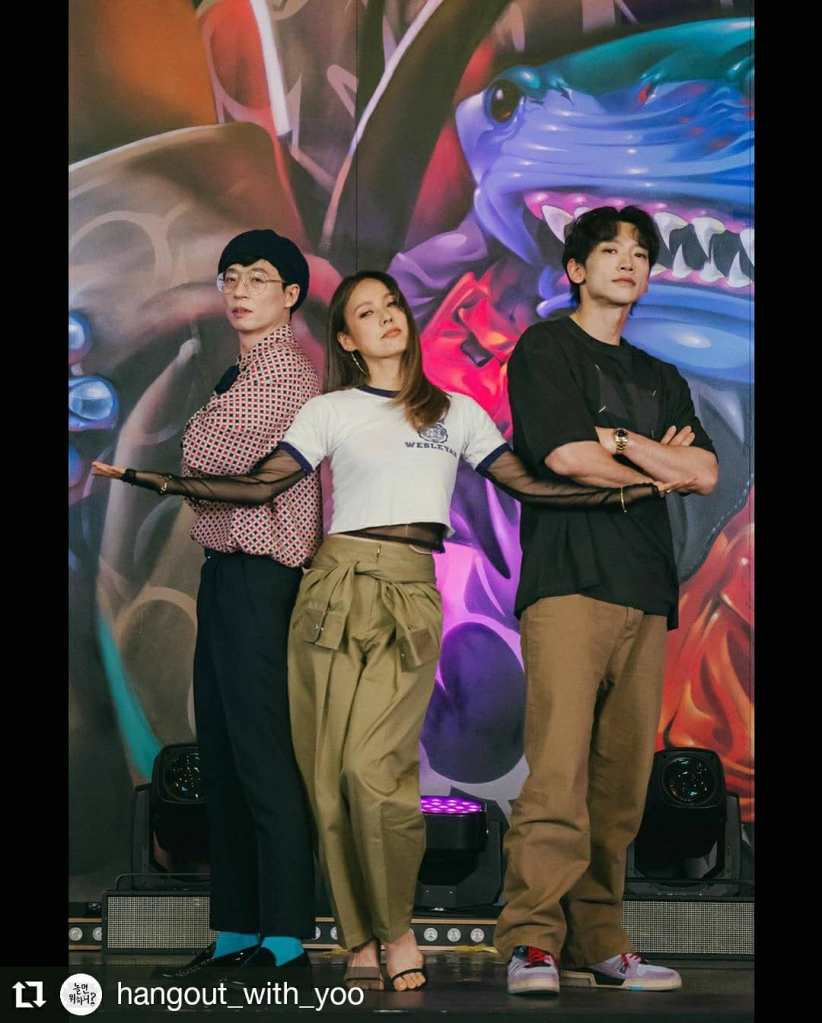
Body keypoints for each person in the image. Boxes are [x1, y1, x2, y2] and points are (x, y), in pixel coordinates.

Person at [94, 269, 685, 992]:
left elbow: (531, 485)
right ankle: (360, 939)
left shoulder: (457, 412)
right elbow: (259, 486)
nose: (387, 318)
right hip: (333, 586)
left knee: (377, 776)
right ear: (347, 338)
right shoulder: (329, 410)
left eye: (392, 305)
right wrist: (151, 480)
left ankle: (395, 927)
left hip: (409, 587)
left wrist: (632, 486)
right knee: (329, 779)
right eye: (367, 313)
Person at [494, 206, 719, 995]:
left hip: (646, 588)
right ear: (575, 270)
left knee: (620, 786)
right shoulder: (546, 349)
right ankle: (532, 941)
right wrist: (655, 464)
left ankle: (602, 941)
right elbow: (565, 454)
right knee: (556, 774)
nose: (628, 262)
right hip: (568, 583)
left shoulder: (661, 376)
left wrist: (618, 440)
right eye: (611, 250)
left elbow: (705, 473)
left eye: (640, 253)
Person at [96, 229, 323, 984]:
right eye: (230, 277)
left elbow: (211, 458)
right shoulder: (240, 373)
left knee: (261, 758)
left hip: (265, 578)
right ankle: (235, 934)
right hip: (226, 572)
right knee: (223, 758)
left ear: (291, 295)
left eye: (257, 278)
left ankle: (284, 942)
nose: (239, 290)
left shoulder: (286, 372)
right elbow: (210, 461)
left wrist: (189, 449)